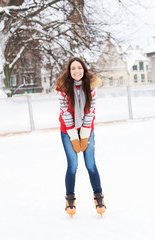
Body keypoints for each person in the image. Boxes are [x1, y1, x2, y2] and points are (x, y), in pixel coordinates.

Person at [55, 57, 106, 217]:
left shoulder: (91, 86)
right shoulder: (62, 88)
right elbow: (65, 113)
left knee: (91, 164)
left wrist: (84, 134)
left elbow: (90, 111)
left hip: (87, 128)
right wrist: (73, 137)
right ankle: (70, 199)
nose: (76, 71)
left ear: (84, 70)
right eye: (73, 68)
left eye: (79, 68)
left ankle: (98, 197)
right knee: (73, 166)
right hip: (68, 129)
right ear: (69, 72)